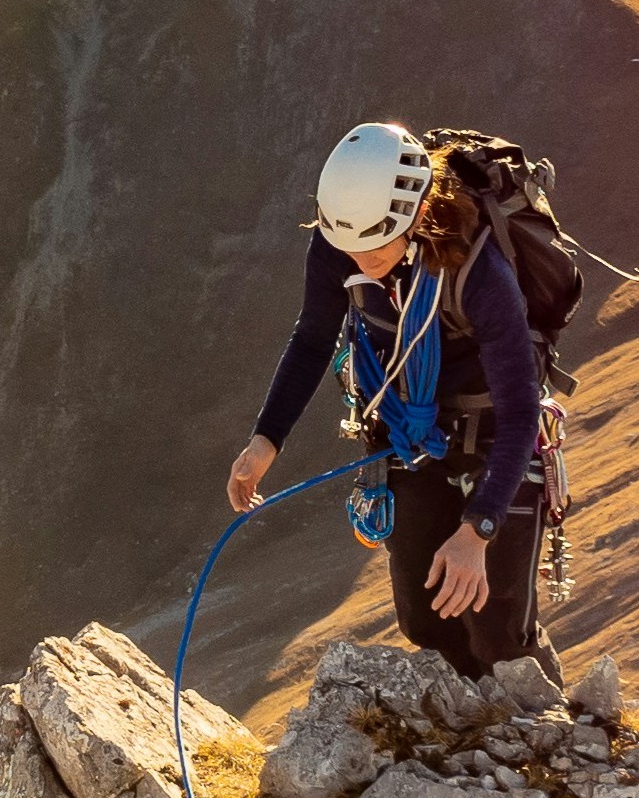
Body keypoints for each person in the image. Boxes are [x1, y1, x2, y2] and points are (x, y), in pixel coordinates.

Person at [228, 121, 550, 675]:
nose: (356, 263)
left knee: (497, 632)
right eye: (346, 247)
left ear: (416, 216)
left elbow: (521, 412)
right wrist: (265, 440)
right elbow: (312, 338)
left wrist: (478, 532)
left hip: (494, 436)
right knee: (425, 621)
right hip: (407, 432)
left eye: (372, 248)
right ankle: (464, 741)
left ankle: (546, 735)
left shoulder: (479, 274)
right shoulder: (343, 240)